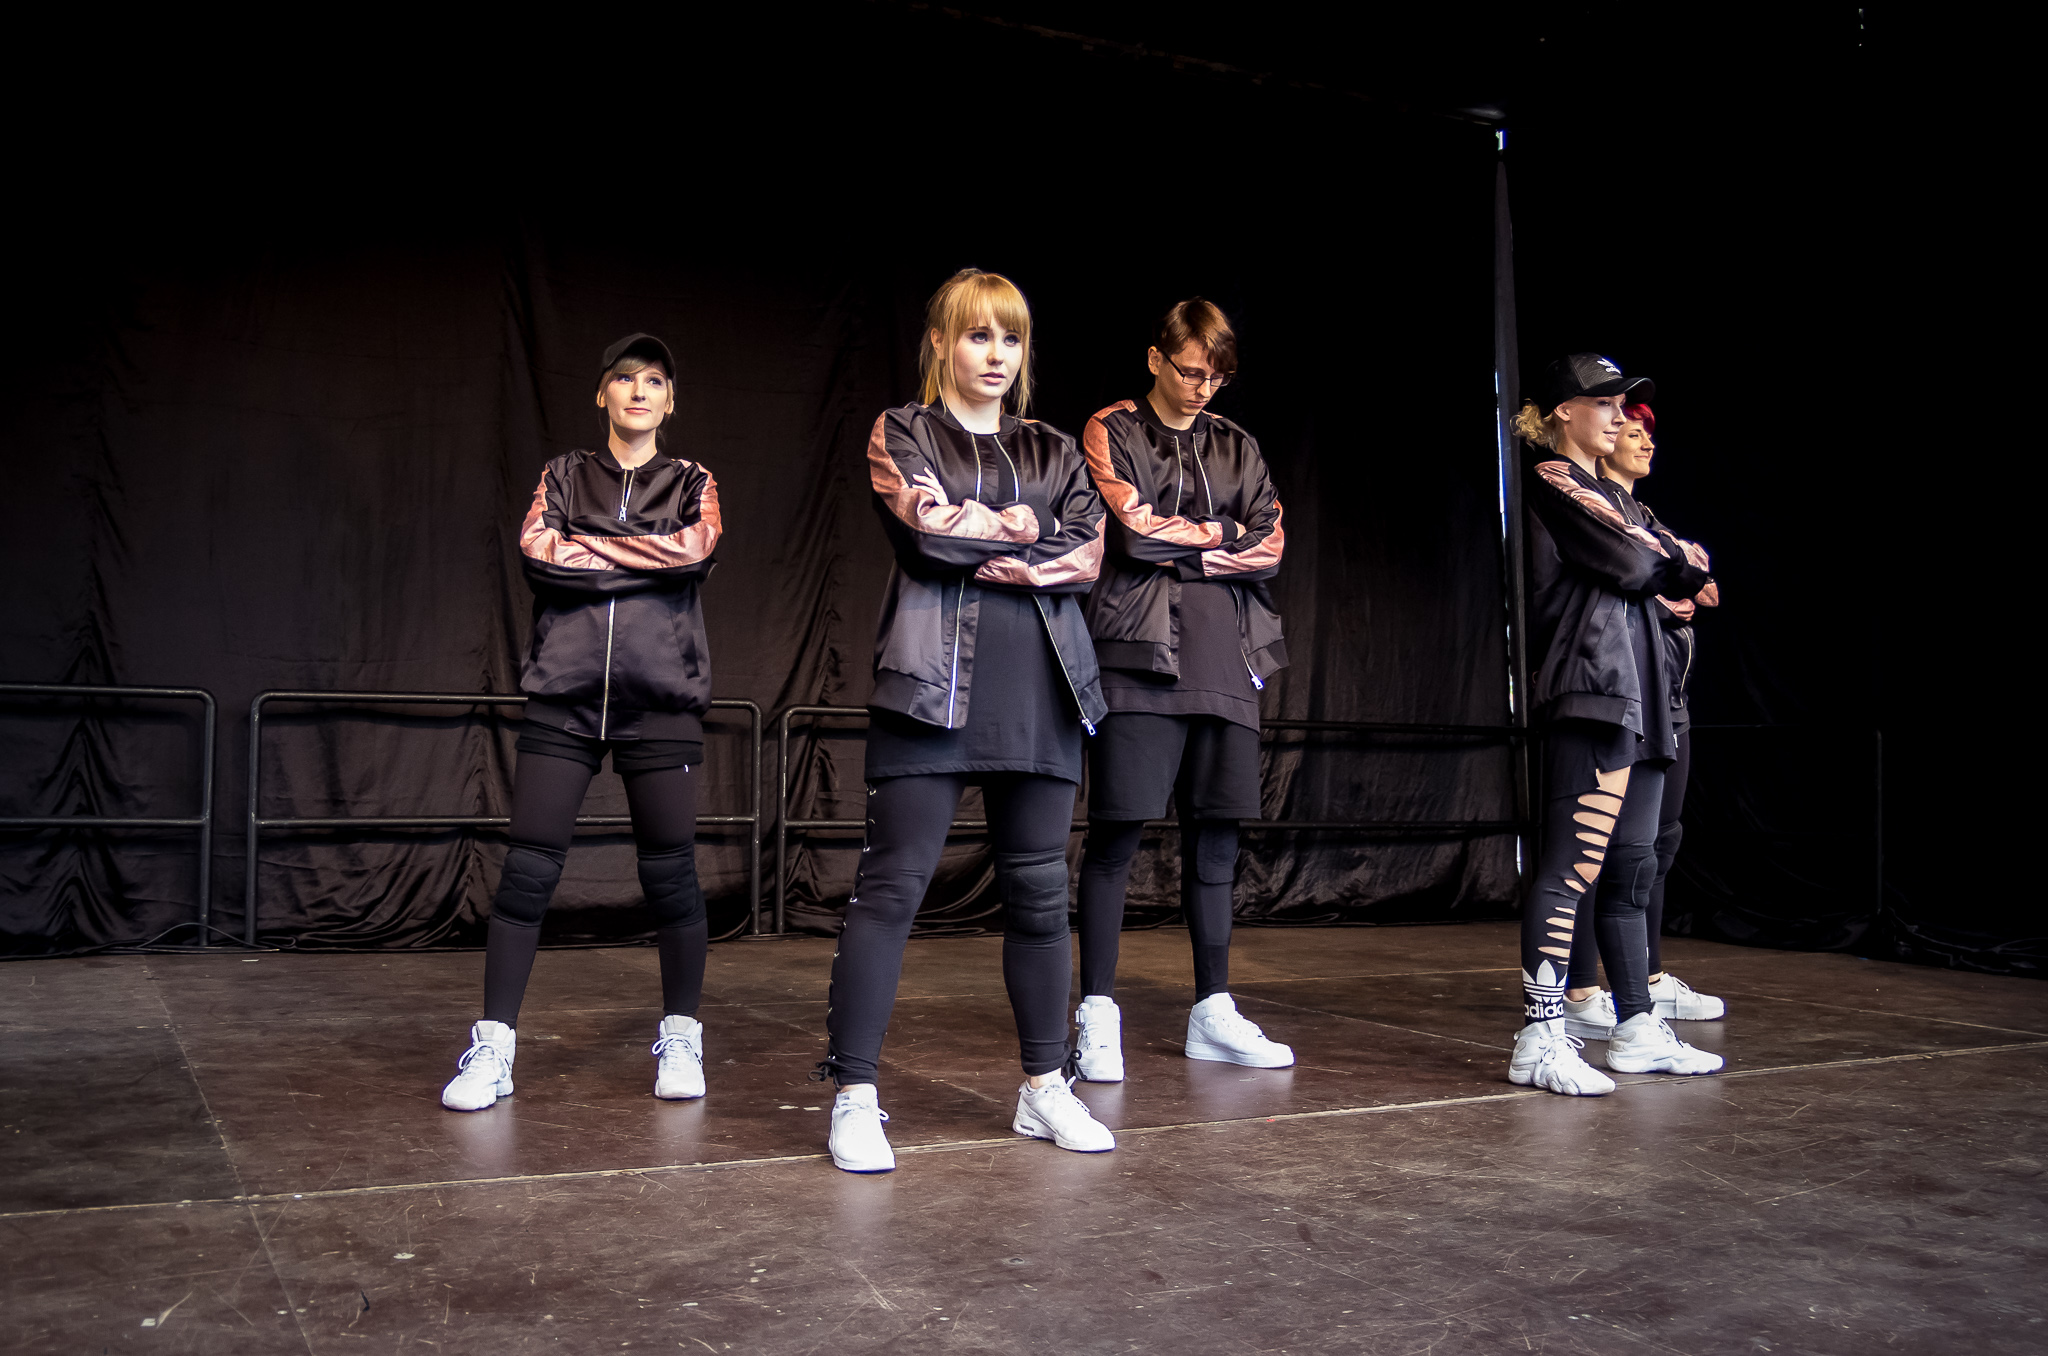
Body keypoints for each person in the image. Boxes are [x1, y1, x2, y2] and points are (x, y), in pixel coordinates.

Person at [818, 269, 1114, 1173]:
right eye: (979, 335)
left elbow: (1087, 553)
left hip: (1044, 691)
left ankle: (1043, 1087)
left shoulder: (1054, 448)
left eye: (1011, 338)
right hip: (929, 687)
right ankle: (853, 1095)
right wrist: (1024, 528)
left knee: (1039, 896)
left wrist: (988, 533)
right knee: (892, 891)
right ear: (942, 342)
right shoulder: (902, 431)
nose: (996, 354)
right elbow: (928, 534)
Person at [441, 333, 722, 1112]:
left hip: (660, 700)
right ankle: (494, 1047)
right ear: (603, 393)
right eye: (625, 379)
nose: (639, 391)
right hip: (563, 697)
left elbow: (693, 552)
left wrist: (590, 551)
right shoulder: (562, 474)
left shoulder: (693, 481)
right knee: (528, 873)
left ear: (670, 400)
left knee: (671, 875)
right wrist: (640, 554)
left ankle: (682, 1037)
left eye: (654, 381)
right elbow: (539, 552)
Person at [1070, 299, 1292, 1082]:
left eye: (1217, 376)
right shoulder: (1112, 429)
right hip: (1138, 657)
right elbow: (1132, 534)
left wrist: (1196, 543)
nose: (1204, 386)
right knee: (1117, 837)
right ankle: (1097, 1013)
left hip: (1228, 659)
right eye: (1193, 370)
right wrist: (1223, 534)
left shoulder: (1239, 444)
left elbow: (1271, 546)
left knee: (1217, 840)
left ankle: (1213, 1011)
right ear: (1157, 359)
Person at [1508, 354, 1722, 1095]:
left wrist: (1672, 559)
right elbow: (1638, 566)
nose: (1619, 417)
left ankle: (1636, 1027)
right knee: (1571, 869)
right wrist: (1672, 559)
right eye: (1604, 403)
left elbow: (1691, 568)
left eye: (1622, 405)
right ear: (1564, 411)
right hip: (1593, 688)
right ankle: (1539, 1036)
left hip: (1643, 693)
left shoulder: (1621, 498)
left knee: (1633, 870)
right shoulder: (1553, 479)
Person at [1561, 402, 1727, 1036]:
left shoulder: (1645, 516)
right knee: (1597, 849)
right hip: (1617, 694)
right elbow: (1632, 580)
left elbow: (1701, 581)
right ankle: (1581, 989)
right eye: (1631, 431)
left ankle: (1648, 980)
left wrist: (1674, 571)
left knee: (1656, 845)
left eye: (1645, 435)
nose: (1643, 443)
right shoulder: (1586, 504)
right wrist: (1668, 581)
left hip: (1667, 697)